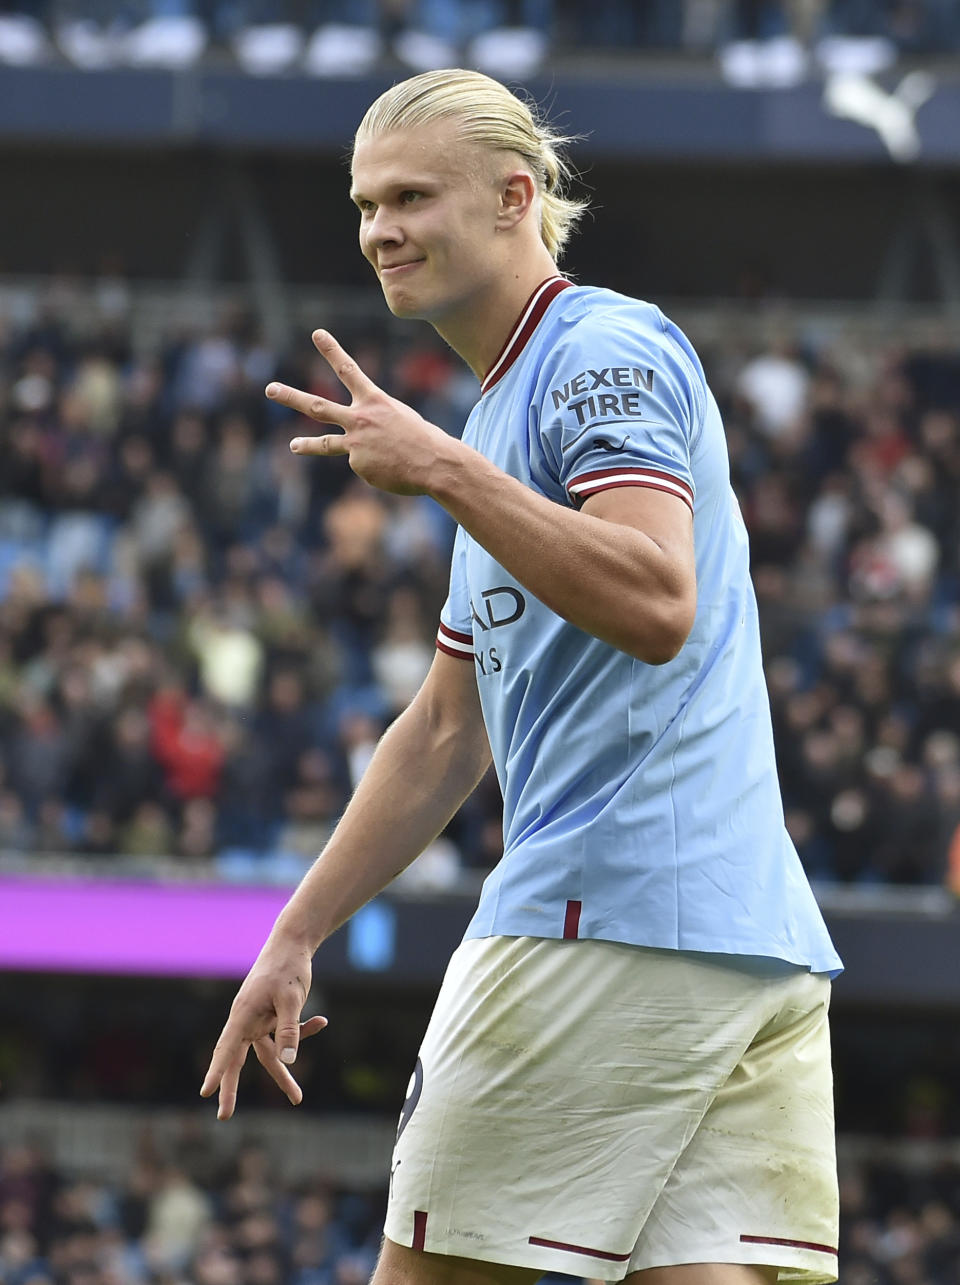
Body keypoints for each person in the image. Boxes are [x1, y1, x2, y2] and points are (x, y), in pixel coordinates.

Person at [201, 68, 843, 1285]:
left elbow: (658, 600)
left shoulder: (600, 349)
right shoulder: (496, 412)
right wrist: (295, 932)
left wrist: (442, 471)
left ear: (514, 197)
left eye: (411, 196)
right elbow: (447, 726)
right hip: (740, 950)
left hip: (597, 923)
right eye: (365, 202)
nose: (381, 228)